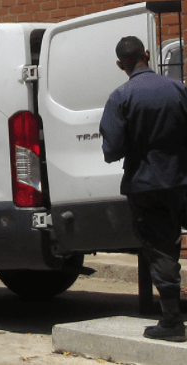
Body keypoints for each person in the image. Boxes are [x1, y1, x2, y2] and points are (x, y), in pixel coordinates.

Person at [100, 36, 187, 342]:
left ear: (120, 64)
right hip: (181, 180)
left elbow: (111, 149)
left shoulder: (120, 97)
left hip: (146, 184)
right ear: (146, 55)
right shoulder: (178, 89)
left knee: (161, 248)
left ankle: (172, 322)